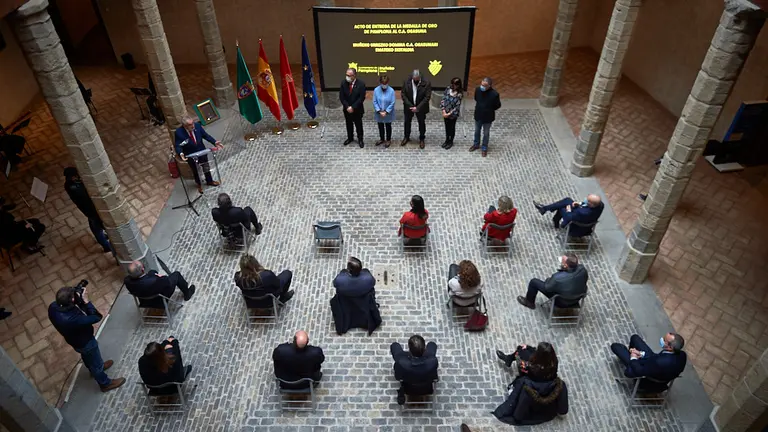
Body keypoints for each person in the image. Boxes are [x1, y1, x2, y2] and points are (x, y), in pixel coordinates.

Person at [48, 286, 125, 392]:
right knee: (94, 362)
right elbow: (96, 317)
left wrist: (77, 301)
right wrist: (86, 301)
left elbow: (71, 307)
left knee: (87, 357)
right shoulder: (71, 320)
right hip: (85, 342)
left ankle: (96, 368)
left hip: (74, 340)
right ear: (72, 300)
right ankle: (105, 383)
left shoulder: (53, 307)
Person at [492, 342, 568, 426]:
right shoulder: (554, 363)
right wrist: (529, 348)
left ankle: (509, 359)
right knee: (524, 350)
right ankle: (509, 359)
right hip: (546, 380)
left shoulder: (533, 367)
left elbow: (528, 371)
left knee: (520, 351)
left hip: (534, 380)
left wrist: (525, 361)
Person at [63, 167, 112, 253]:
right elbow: (86, 193)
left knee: (94, 225)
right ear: (73, 176)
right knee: (98, 227)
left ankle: (103, 238)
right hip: (91, 209)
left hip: (87, 210)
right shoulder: (75, 187)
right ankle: (106, 245)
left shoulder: (68, 184)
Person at [330, 257, 381, 335]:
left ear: (349, 270)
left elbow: (335, 284)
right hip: (364, 303)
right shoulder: (367, 278)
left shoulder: (341, 280)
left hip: (346, 304)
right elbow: (372, 283)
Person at [516, 254, 588, 310]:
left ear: (566, 265)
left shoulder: (557, 278)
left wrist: (548, 280)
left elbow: (547, 288)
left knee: (534, 282)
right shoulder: (583, 270)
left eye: (562, 261)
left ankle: (529, 302)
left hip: (562, 301)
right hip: (577, 298)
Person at [174, 115, 223, 194]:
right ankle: (199, 184)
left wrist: (214, 142)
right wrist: (181, 153)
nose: (193, 126)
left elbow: (206, 135)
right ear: (184, 126)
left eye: (193, 123)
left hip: (201, 151)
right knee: (195, 170)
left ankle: (209, 181)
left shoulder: (197, 126)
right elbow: (178, 145)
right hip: (191, 154)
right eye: (190, 125)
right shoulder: (179, 132)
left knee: (206, 166)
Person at [610, 333, 687, 382]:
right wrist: (641, 353)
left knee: (616, 347)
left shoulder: (659, 362)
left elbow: (639, 371)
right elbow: (655, 358)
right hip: (653, 365)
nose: (662, 339)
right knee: (635, 338)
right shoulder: (682, 355)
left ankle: (629, 362)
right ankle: (632, 355)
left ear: (670, 347)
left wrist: (633, 358)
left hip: (646, 376)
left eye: (664, 340)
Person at [390, 335, 439, 405]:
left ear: (409, 350)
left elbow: (397, 377)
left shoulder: (402, 362)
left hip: (408, 389)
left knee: (395, 345)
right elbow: (432, 347)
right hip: (427, 388)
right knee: (432, 344)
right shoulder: (432, 361)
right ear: (424, 350)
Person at [124, 260, 196, 302]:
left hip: (144, 300)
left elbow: (148, 278)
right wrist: (160, 277)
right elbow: (166, 282)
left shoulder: (127, 281)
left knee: (152, 271)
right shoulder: (154, 281)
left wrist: (153, 275)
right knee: (176, 274)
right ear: (142, 270)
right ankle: (187, 294)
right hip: (159, 300)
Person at [533, 194, 604, 235]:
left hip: (576, 226)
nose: (586, 200)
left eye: (587, 201)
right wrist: (580, 203)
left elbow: (569, 217)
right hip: (582, 216)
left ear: (591, 204)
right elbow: (586, 206)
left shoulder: (583, 212)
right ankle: (544, 209)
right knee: (567, 200)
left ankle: (551, 216)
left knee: (562, 208)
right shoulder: (600, 205)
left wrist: (569, 210)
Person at [400, 69, 432, 149]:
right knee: (407, 122)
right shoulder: (406, 82)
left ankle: (422, 138)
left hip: (421, 108)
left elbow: (427, 97)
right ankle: (406, 137)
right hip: (409, 107)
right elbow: (403, 94)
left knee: (421, 123)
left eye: (417, 80)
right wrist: (410, 106)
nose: (415, 81)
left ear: (420, 77)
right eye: (414, 79)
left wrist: (418, 107)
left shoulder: (426, 83)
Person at [471, 77, 501, 157]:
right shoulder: (478, 90)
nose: (482, 87)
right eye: (482, 85)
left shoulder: (494, 94)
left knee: (486, 133)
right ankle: (476, 144)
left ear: (489, 86)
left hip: (488, 117)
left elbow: (497, 105)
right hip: (478, 114)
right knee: (477, 131)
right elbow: (476, 98)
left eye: (484, 86)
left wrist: (488, 108)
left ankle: (484, 147)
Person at [339, 68, 366, 148]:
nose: (347, 77)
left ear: (354, 76)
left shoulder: (361, 84)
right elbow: (342, 97)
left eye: (349, 75)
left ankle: (360, 139)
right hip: (347, 109)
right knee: (348, 124)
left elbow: (361, 98)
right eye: (346, 75)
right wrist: (347, 106)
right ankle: (350, 138)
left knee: (359, 125)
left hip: (357, 109)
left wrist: (353, 107)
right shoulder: (343, 83)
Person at [440, 77, 463, 149]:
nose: (453, 86)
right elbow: (443, 99)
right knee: (447, 127)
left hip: (452, 114)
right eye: (452, 84)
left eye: (455, 84)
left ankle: (450, 141)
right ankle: (447, 140)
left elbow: (457, 106)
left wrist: (449, 114)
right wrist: (443, 110)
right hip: (445, 112)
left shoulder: (459, 94)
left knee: (452, 128)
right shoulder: (447, 89)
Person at [373, 74, 396, 147]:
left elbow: (392, 102)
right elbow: (374, 101)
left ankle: (388, 140)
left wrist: (386, 111)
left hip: (388, 113)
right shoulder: (376, 90)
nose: (384, 85)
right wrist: (379, 111)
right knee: (380, 126)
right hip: (379, 112)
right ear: (380, 83)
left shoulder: (391, 90)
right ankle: (382, 139)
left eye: (385, 84)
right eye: (383, 84)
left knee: (388, 126)